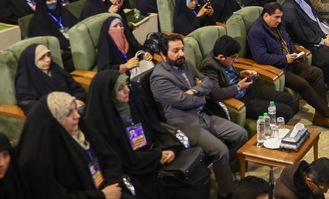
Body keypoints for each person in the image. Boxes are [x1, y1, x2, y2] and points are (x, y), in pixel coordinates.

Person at [150, 33, 248, 199]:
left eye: (182, 49)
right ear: (163, 54)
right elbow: (183, 101)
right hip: (184, 123)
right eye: (175, 51)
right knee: (221, 150)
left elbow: (208, 83)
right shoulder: (159, 78)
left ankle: (226, 173)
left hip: (204, 114)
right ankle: (227, 192)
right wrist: (199, 94)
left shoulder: (186, 64)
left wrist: (194, 91)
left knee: (241, 134)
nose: (181, 53)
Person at [84, 71, 208, 199]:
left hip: (154, 153)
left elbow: (154, 125)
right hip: (134, 169)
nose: (127, 91)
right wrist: (157, 156)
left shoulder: (132, 100)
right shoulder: (99, 123)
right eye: (120, 89)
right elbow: (122, 159)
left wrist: (170, 148)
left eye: (127, 85)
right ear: (108, 93)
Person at [247, 2, 329, 128]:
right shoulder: (256, 32)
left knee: (317, 72)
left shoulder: (278, 25)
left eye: (280, 17)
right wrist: (284, 59)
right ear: (266, 16)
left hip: (291, 62)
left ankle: (320, 116)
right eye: (276, 17)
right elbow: (260, 57)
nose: (279, 20)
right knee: (303, 84)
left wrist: (294, 52)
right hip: (278, 68)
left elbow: (288, 40)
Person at [16, 92, 131, 199]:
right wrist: (101, 195)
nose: (77, 116)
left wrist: (112, 186)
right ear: (56, 119)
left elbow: (109, 158)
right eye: (69, 113)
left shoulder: (80, 129)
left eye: (76, 109)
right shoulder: (36, 160)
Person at [200, 35, 294, 122]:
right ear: (221, 57)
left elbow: (228, 75)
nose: (235, 60)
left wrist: (241, 74)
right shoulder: (209, 66)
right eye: (233, 58)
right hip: (239, 100)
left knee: (288, 98)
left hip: (247, 91)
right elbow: (216, 93)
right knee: (286, 111)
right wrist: (239, 87)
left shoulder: (224, 56)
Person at [15, 43, 86, 114]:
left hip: (75, 107)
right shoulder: (25, 80)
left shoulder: (55, 68)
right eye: (42, 58)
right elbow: (32, 106)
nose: (48, 60)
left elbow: (75, 87)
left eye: (48, 55)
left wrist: (77, 99)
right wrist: (66, 106)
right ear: (32, 61)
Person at [27, 0, 78, 72]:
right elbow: (46, 40)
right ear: (43, 2)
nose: (53, 2)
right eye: (49, 0)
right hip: (60, 50)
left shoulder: (63, 12)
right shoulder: (38, 20)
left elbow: (77, 26)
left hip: (74, 43)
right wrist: (66, 45)